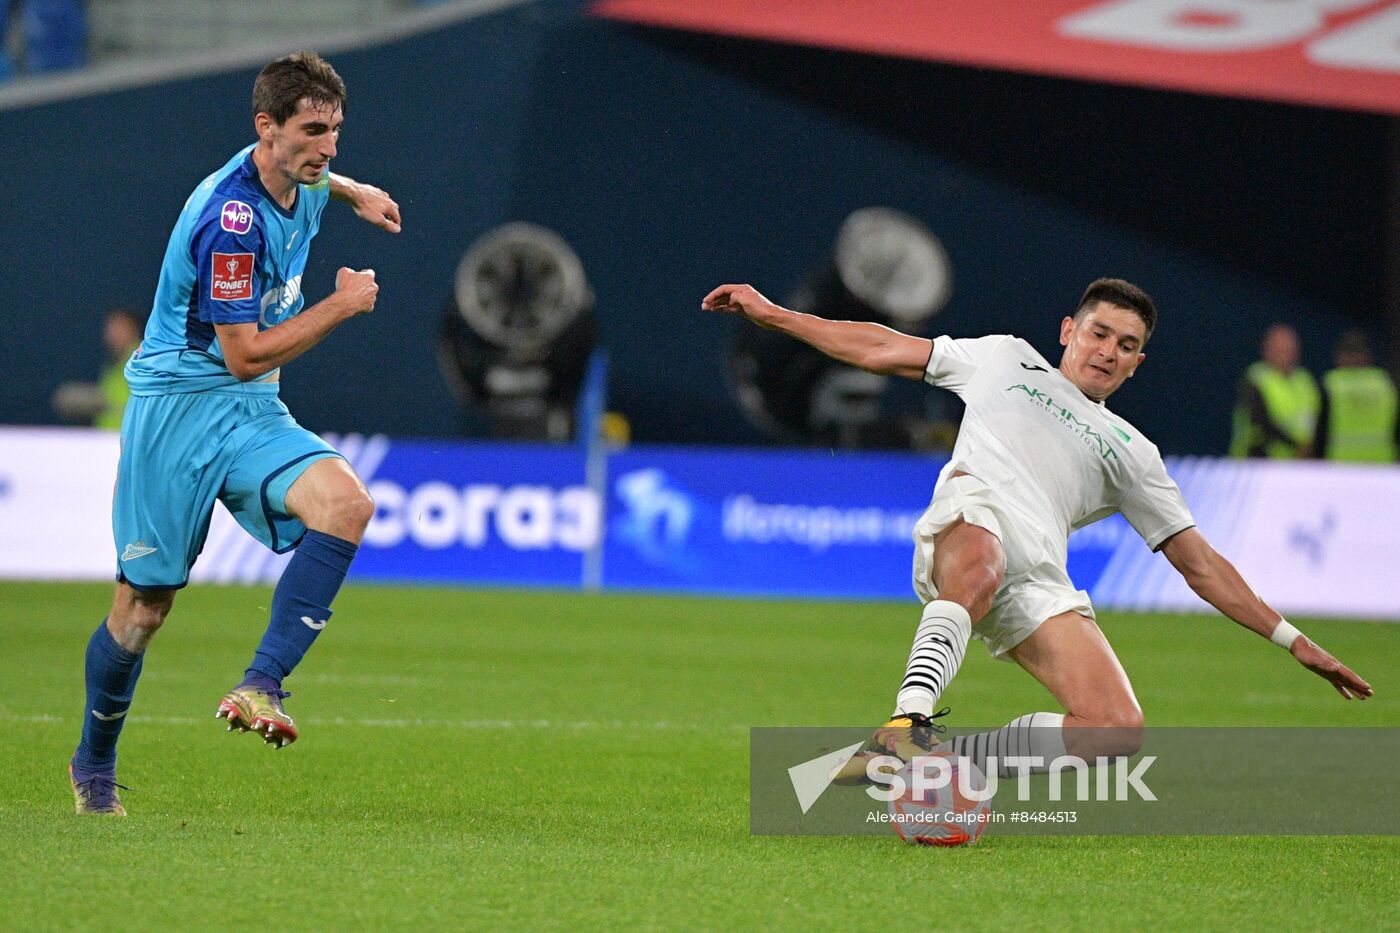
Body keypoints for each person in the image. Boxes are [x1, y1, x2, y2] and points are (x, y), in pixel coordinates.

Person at [701, 278, 1371, 784]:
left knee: (1116, 729)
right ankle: (906, 722)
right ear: (1068, 329)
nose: (1108, 351)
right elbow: (880, 346)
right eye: (1099, 333)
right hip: (974, 518)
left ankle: (934, 761)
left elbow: (1200, 564)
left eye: (1127, 345)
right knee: (985, 556)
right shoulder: (1004, 359)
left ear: (1139, 362)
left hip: (1040, 574)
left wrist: (1292, 639)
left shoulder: (1133, 452)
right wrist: (774, 313)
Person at [69, 51, 402, 816]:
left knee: (346, 505)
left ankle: (262, 682)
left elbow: (319, 177)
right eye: (312, 131)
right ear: (267, 128)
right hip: (179, 412)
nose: (327, 147)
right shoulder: (232, 222)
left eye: (336, 131)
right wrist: (343, 304)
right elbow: (244, 351)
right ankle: (93, 760)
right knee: (143, 609)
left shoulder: (305, 177)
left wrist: (356, 193)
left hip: (252, 411)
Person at [1229, 323, 1320, 459]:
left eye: (1290, 349)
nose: (1286, 355)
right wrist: (1297, 446)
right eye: (1280, 349)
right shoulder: (1255, 378)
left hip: (1299, 467)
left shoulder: (1305, 380)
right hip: (1259, 465)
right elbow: (1261, 423)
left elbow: (1318, 418)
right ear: (1266, 349)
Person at [50, 307, 144, 429]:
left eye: (119, 327)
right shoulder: (112, 365)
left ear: (133, 328)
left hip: (130, 440)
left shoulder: (143, 360)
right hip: (106, 440)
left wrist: (95, 400)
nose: (112, 333)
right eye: (110, 328)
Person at [1315, 329, 1398, 463]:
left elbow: (1321, 433)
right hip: (1381, 465)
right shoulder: (1385, 383)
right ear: (1367, 356)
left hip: (1341, 465)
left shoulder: (1332, 384)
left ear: (1341, 356)